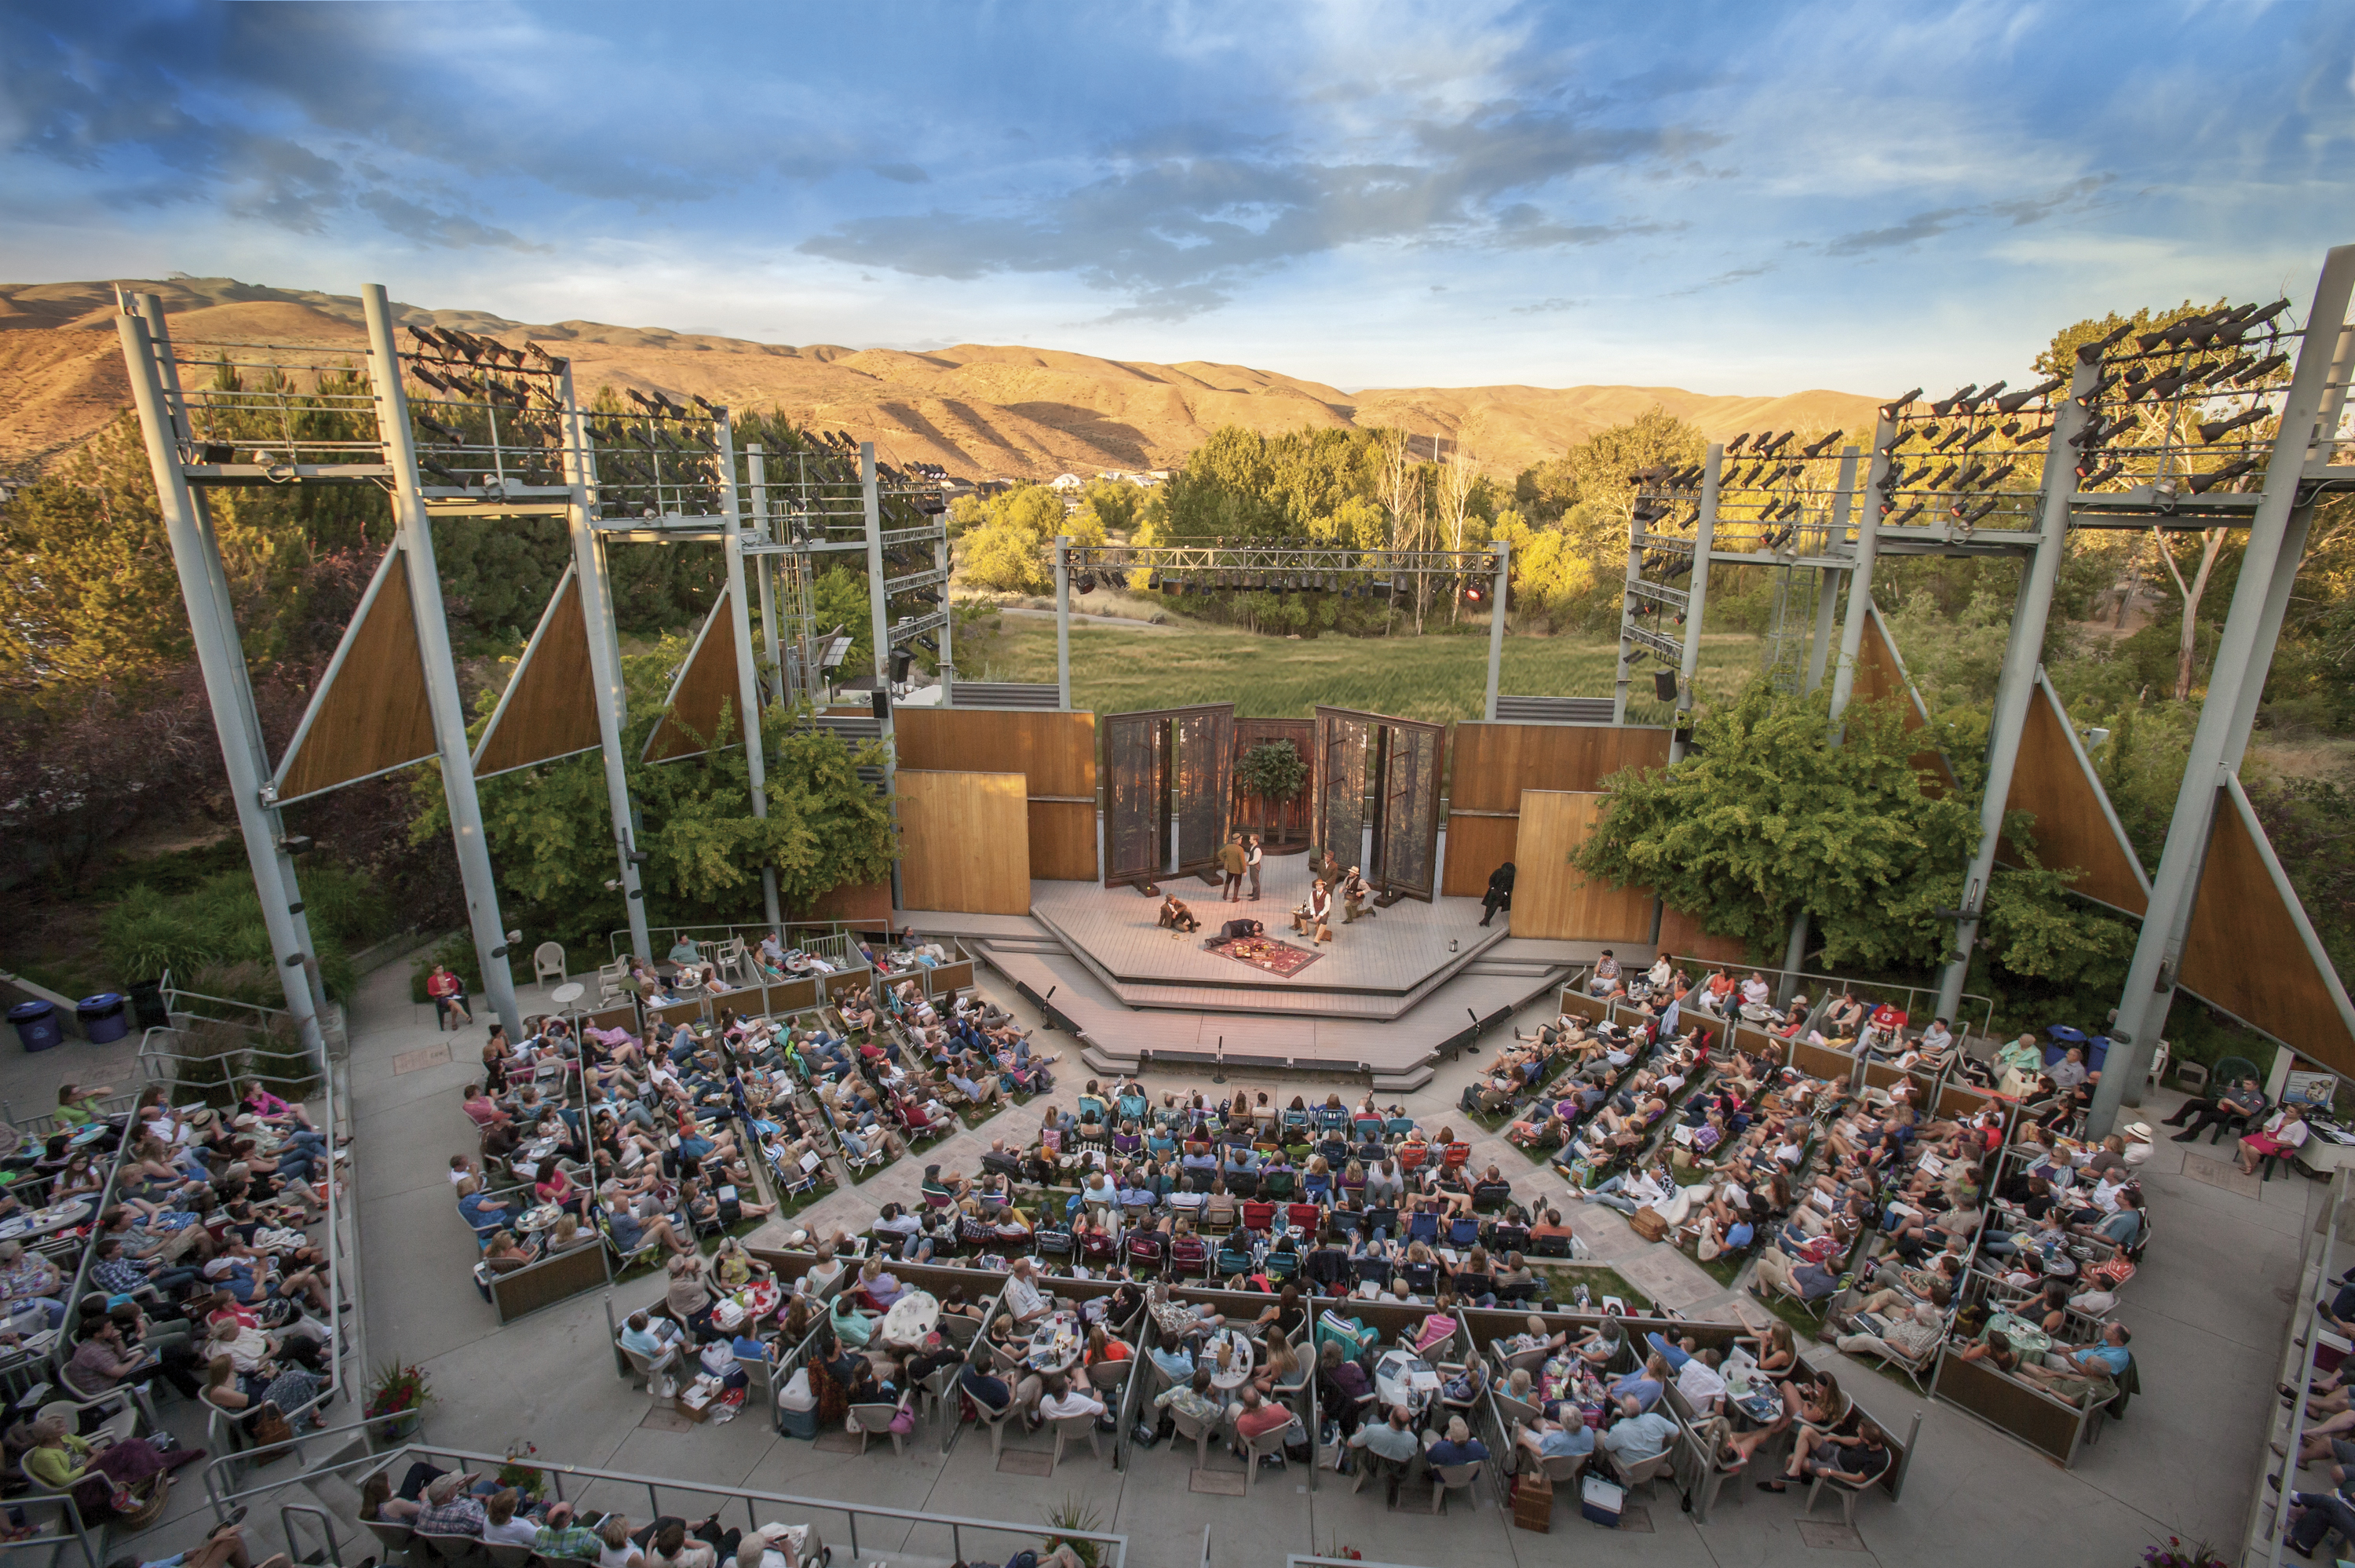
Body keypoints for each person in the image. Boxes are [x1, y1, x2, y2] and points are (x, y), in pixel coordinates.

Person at [1347, 1403, 1422, 1501]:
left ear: (1391, 1416)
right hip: (1396, 1471)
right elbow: (1412, 1453)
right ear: (1407, 1423)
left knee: (1373, 1420)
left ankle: (1352, 1469)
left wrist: (1359, 1433)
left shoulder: (1372, 1431)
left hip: (1372, 1465)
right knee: (1374, 1420)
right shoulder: (1412, 1440)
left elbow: (1350, 1444)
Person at [2163, 1074, 2267, 1142]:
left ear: (2255, 1086)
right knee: (2194, 1102)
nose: (2244, 1085)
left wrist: (2233, 1105)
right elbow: (2226, 1097)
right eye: (2244, 1083)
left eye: (2248, 1084)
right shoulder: (2239, 1090)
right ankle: (2178, 1120)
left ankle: (2191, 1134)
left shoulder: (2257, 1099)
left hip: (2232, 1114)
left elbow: (2248, 1113)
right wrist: (2221, 1101)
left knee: (2208, 1115)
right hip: (2221, 1106)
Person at [2242, 1104, 2309, 1176]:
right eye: (2287, 1109)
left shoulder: (2301, 1127)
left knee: (2251, 1149)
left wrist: (2276, 1141)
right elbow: (2267, 1124)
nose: (2287, 1112)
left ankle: (2252, 1166)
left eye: (2291, 1112)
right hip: (2271, 1136)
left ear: (2299, 1115)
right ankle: (2248, 1164)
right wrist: (2265, 1133)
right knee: (2242, 1142)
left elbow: (2296, 1143)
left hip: (2282, 1145)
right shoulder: (2280, 1115)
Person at [426, 965, 472, 1029]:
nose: (441, 970)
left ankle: (454, 1022)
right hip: (441, 997)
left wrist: (451, 990)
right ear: (434, 971)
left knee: (453, 1005)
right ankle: (466, 1016)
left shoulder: (448, 975)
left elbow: (455, 985)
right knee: (452, 1002)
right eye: (438, 969)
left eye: (442, 968)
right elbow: (431, 992)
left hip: (451, 994)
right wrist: (442, 992)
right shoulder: (431, 980)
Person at [1479, 862, 1514, 927]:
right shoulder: (1498, 872)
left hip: (1501, 894)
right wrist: (1492, 888)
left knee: (1494, 907)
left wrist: (1506, 892)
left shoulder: (1511, 877)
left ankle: (1485, 920)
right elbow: (1491, 879)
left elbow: (1511, 886)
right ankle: (1486, 920)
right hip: (1494, 891)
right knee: (1489, 905)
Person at [1218, 834, 1247, 903]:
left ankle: (1225, 896)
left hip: (1230, 869)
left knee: (1228, 881)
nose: (1241, 840)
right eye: (1240, 839)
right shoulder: (1240, 849)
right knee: (1237, 884)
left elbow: (1220, 853)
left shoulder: (1228, 847)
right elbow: (1242, 861)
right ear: (1238, 841)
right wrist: (1244, 871)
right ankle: (1235, 898)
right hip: (1238, 870)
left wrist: (1225, 861)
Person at [1246, 834, 1264, 902]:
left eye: (1251, 839)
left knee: (1255, 881)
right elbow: (1249, 854)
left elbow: (1256, 860)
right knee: (1253, 879)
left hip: (1255, 866)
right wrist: (1247, 861)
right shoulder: (1252, 847)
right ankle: (1254, 893)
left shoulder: (1257, 849)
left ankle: (1256, 896)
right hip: (1252, 866)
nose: (1249, 840)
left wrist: (1249, 863)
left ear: (1255, 840)